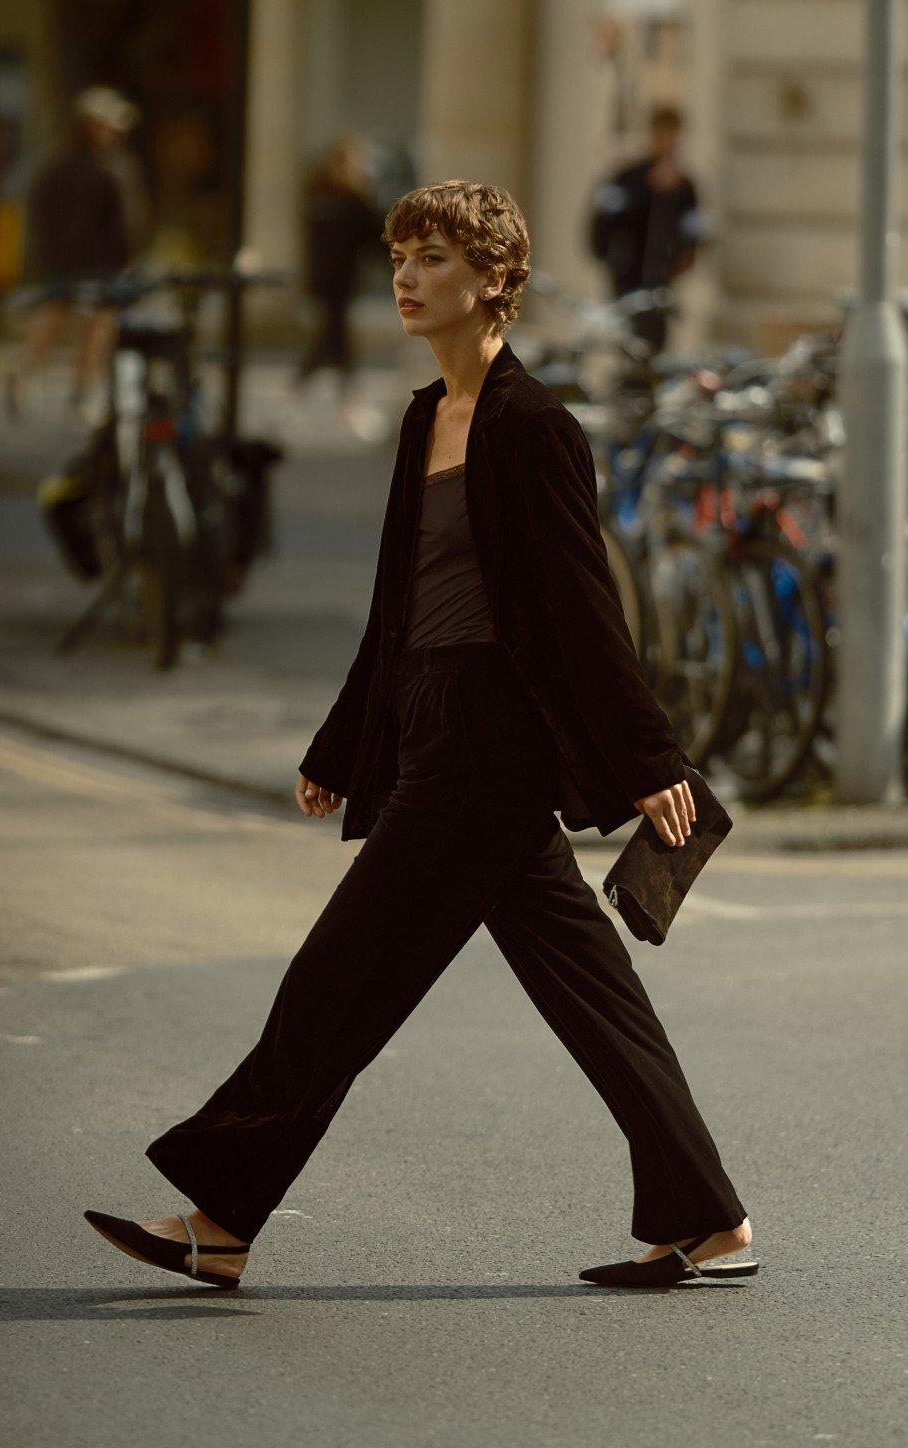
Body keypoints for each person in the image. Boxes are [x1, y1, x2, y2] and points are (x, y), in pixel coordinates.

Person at [85, 181, 757, 1292]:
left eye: (433, 257)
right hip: (432, 726)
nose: (405, 275)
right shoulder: (422, 417)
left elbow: (583, 612)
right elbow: (397, 606)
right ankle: (706, 1216)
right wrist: (341, 742)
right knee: (589, 991)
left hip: (488, 745)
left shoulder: (534, 427)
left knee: (336, 978)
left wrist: (648, 761)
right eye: (399, 254)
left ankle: (220, 1213)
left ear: (493, 281)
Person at [6, 87, 145, 422]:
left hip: (88, 263)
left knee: (81, 325)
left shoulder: (89, 166)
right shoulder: (100, 169)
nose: (114, 133)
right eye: (107, 126)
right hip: (90, 264)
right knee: (85, 326)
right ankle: (54, 384)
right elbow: (125, 220)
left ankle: (66, 388)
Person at [291, 134, 387, 437]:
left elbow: (376, 238)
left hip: (337, 281)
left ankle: (307, 391)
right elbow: (376, 237)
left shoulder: (334, 199)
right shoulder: (335, 199)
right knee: (334, 338)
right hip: (332, 281)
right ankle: (347, 400)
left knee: (331, 338)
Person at [588, 104, 704, 355]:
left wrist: (684, 256)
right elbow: (605, 220)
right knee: (626, 340)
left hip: (661, 280)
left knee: (656, 341)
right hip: (628, 274)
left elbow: (694, 229)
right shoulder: (629, 178)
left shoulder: (684, 186)